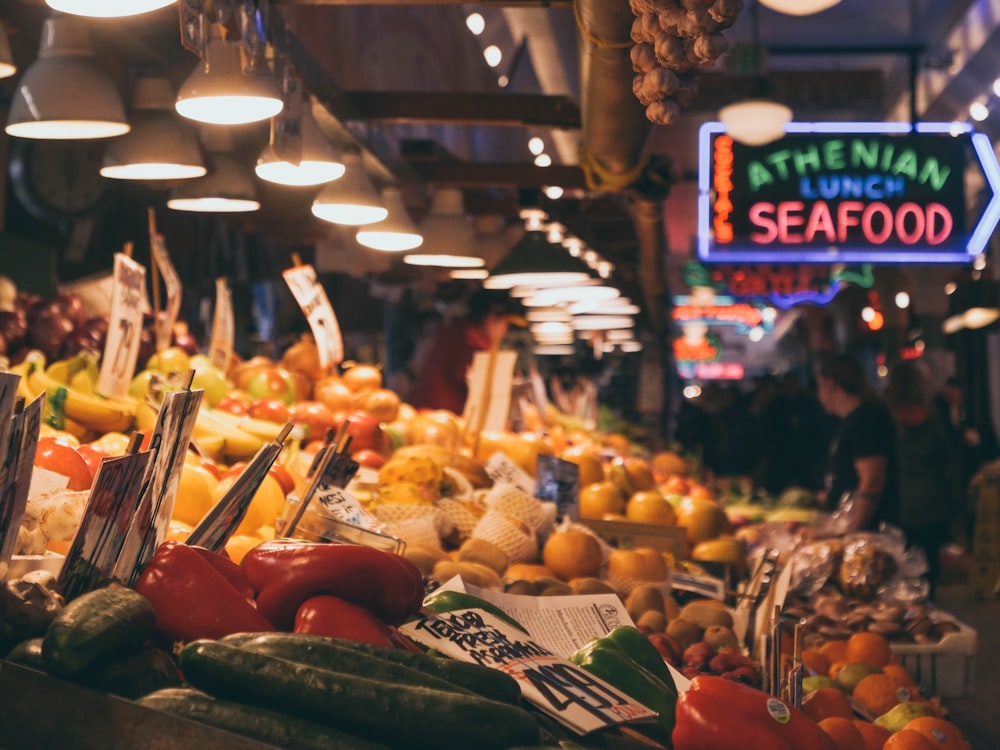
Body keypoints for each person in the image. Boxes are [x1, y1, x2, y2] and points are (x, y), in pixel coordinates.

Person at [885, 360, 960, 596]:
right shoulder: (932, 414)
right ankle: (928, 612)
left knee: (901, 569)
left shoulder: (887, 417)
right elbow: (948, 456)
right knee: (929, 569)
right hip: (932, 502)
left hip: (900, 505)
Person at [816, 352, 899, 533]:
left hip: (870, 533)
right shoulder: (850, 420)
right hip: (849, 527)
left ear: (830, 384)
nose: (819, 394)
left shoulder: (866, 419)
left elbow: (873, 481)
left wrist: (852, 531)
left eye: (819, 386)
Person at [408, 289, 520, 415]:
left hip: (434, 409)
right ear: (491, 319)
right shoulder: (472, 341)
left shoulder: (460, 332)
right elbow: (474, 382)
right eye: (506, 324)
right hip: (438, 412)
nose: (506, 332)